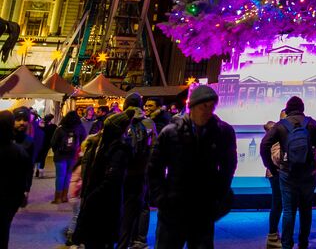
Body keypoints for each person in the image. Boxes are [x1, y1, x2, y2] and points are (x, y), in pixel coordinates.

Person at [147, 85, 238, 249]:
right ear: (193, 106)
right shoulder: (171, 132)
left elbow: (228, 167)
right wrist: (162, 199)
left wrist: (218, 195)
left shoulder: (222, 133)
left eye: (212, 106)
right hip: (173, 209)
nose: (208, 111)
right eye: (204, 106)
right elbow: (154, 169)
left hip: (203, 210)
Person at [260, 96, 316, 249]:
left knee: (288, 210)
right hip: (309, 174)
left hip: (287, 173)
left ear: (287, 109)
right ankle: (303, 243)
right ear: (302, 108)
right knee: (306, 209)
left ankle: (286, 244)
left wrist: (271, 166)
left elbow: (264, 145)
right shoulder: (311, 123)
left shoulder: (281, 125)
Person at [74, 109, 136, 249]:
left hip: (104, 207)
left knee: (99, 241)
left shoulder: (118, 150)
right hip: (96, 201)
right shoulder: (101, 144)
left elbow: (111, 180)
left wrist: (92, 196)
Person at [117, 93, 157, 249]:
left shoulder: (121, 121)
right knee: (143, 206)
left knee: (123, 203)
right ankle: (140, 239)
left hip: (125, 171)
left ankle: (123, 237)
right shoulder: (149, 123)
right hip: (143, 171)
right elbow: (155, 147)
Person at [0, 111, 33, 249]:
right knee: (3, 230)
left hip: (9, 198)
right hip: (10, 199)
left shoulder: (24, 145)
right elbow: (25, 173)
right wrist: (24, 193)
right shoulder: (18, 151)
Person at [262, 119, 284, 249]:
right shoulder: (277, 132)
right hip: (277, 173)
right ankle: (273, 235)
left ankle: (274, 235)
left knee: (278, 203)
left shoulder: (274, 132)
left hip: (275, 172)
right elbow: (276, 157)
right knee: (278, 204)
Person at [52, 111, 82, 204]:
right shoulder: (77, 128)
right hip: (72, 155)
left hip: (60, 155)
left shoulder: (60, 129)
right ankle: (65, 197)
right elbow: (82, 138)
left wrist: (56, 151)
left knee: (60, 176)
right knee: (68, 176)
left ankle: (58, 198)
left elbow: (53, 143)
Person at [11, 108, 34, 193]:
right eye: (18, 119)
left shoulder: (29, 141)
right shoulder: (4, 138)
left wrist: (27, 189)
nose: (22, 123)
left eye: (25, 120)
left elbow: (29, 167)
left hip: (19, 186)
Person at [37, 113, 56, 178]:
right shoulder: (53, 126)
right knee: (43, 157)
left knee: (40, 156)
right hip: (48, 143)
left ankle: (38, 170)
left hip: (41, 142)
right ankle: (40, 170)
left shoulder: (42, 125)